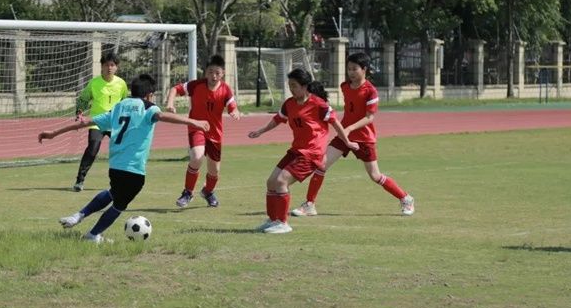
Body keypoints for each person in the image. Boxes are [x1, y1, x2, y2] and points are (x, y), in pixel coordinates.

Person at [39, 74, 209, 243]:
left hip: (115, 165)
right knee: (119, 204)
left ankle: (79, 215)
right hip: (134, 169)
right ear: (150, 95)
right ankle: (92, 235)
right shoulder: (149, 107)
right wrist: (194, 122)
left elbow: (85, 122)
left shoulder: (119, 107)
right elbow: (163, 116)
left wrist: (54, 133)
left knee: (113, 193)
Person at [291, 52, 415, 218]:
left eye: (354, 69)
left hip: (364, 138)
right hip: (344, 136)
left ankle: (405, 198)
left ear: (364, 69)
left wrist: (349, 128)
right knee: (321, 165)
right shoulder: (345, 86)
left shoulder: (371, 91)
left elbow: (369, 117)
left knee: (375, 175)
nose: (350, 72)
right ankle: (309, 205)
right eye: (348, 69)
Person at [248, 68, 358, 234]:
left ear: (305, 86)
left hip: (312, 153)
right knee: (271, 182)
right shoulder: (289, 104)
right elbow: (278, 119)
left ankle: (283, 223)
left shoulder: (319, 105)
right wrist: (261, 131)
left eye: (294, 86)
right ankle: (273, 220)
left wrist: (347, 142)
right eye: (289, 85)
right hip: (296, 150)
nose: (291, 89)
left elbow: (335, 123)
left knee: (281, 181)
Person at [165, 54, 240, 208]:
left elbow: (232, 105)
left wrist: (235, 111)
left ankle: (208, 191)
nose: (214, 75)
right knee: (197, 157)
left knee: (214, 171)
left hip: (215, 133)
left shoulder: (226, 90)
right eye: (210, 72)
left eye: (217, 73)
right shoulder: (196, 85)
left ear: (223, 73)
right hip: (196, 127)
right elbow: (175, 88)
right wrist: (170, 103)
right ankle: (187, 192)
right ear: (205, 72)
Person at [72, 51, 128, 192]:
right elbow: (83, 99)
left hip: (115, 123)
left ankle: (119, 182)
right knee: (93, 148)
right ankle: (80, 180)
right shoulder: (94, 83)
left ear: (116, 67)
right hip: (97, 122)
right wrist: (79, 113)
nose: (109, 68)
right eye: (106, 65)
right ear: (101, 67)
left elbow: (124, 103)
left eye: (112, 65)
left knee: (120, 151)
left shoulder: (121, 84)